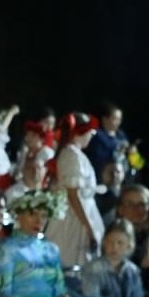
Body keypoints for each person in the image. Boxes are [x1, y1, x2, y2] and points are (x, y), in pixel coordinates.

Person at [44, 113, 105, 267]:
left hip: (79, 214)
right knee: (71, 261)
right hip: (73, 219)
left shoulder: (73, 154)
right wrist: (88, 227)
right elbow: (73, 194)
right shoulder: (71, 155)